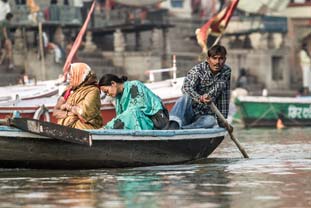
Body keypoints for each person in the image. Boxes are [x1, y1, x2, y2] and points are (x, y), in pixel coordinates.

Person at [169, 44, 231, 129]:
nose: (217, 62)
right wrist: (200, 98)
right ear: (208, 59)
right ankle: (173, 124)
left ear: (225, 59)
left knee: (210, 121)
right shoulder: (198, 70)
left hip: (203, 115)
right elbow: (186, 88)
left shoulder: (226, 71)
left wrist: (223, 121)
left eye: (221, 59)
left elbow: (224, 96)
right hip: (189, 112)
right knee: (185, 97)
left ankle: (185, 129)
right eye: (214, 58)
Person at [98, 74, 169, 130]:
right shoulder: (118, 98)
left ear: (113, 83)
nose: (107, 94)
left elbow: (135, 110)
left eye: (106, 91)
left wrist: (108, 127)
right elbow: (121, 117)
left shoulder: (134, 85)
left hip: (156, 121)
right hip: (141, 122)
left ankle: (107, 129)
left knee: (133, 112)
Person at [53, 63, 103, 129]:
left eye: (71, 75)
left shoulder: (93, 91)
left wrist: (68, 107)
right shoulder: (68, 89)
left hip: (85, 131)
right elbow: (55, 112)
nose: (69, 78)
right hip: (65, 129)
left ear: (79, 75)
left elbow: (84, 115)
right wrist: (70, 114)